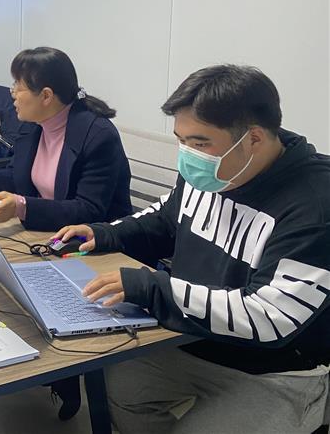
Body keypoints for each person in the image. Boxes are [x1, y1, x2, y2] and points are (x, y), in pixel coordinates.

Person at [54, 65, 330, 434]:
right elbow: (166, 219)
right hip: (190, 340)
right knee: (111, 386)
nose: (188, 155)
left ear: (254, 138)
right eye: (181, 140)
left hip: (273, 370)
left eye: (200, 144)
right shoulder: (215, 170)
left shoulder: (315, 205)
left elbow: (270, 317)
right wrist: (103, 234)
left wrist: (153, 287)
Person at [0, 47, 132, 230]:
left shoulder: (98, 136)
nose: (12, 93)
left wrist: (22, 207)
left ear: (46, 96)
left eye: (19, 87)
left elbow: (88, 210)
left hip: (97, 241)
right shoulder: (35, 124)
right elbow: (18, 177)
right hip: (48, 232)